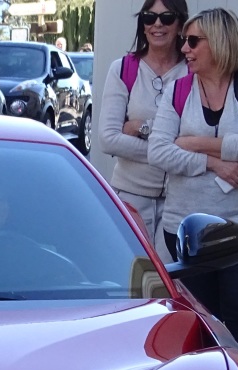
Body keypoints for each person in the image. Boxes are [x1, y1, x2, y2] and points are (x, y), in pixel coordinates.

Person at [148, 7, 238, 360]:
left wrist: (192, 142)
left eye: (192, 41)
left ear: (218, 43)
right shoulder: (178, 90)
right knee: (199, 318)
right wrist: (215, 163)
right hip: (186, 227)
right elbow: (159, 152)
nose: (183, 48)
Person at [97, 0, 189, 249]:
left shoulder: (193, 71)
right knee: (135, 277)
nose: (157, 24)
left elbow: (195, 135)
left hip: (179, 199)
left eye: (167, 17)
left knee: (173, 282)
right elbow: (108, 138)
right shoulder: (123, 69)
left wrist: (141, 127)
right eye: (149, 17)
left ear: (180, 23)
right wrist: (170, 147)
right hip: (130, 196)